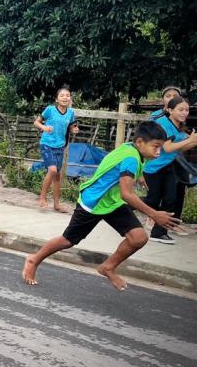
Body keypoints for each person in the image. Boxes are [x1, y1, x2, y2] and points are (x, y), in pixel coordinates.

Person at [21, 121, 180, 291]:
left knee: (139, 237)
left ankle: (108, 267)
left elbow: (122, 168)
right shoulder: (131, 158)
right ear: (140, 142)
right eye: (156, 147)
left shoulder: (132, 148)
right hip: (93, 202)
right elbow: (127, 194)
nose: (159, 152)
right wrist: (154, 214)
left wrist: (139, 177)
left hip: (111, 202)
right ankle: (34, 259)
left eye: (160, 147)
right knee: (68, 241)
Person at [142, 96, 197, 244]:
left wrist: (192, 141)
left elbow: (180, 149)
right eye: (181, 109)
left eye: (186, 110)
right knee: (152, 200)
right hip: (153, 167)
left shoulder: (179, 125)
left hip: (168, 167)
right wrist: (190, 140)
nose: (185, 112)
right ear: (169, 110)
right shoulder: (162, 123)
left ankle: (159, 233)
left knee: (170, 199)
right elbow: (167, 147)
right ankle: (122, 205)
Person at [34, 87, 79, 212]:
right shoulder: (50, 110)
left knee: (57, 176)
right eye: (62, 95)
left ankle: (56, 204)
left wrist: (74, 130)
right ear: (57, 99)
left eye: (67, 95)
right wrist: (44, 127)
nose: (65, 97)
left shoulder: (70, 113)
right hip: (47, 144)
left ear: (70, 99)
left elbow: (71, 127)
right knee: (52, 170)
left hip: (60, 146)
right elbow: (36, 122)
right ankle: (42, 197)